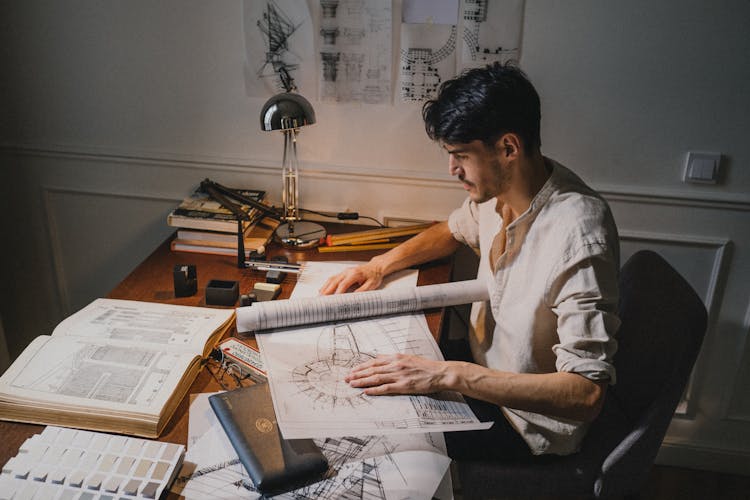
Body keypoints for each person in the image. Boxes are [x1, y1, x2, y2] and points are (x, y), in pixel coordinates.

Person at [320, 62, 620, 460]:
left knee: (359, 439)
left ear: (508, 148)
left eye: (460, 155)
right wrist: (379, 265)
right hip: (478, 372)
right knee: (355, 388)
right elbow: (453, 230)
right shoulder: (500, 193)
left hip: (524, 425)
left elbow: (586, 394)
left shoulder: (579, 233)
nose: (452, 169)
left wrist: (449, 374)